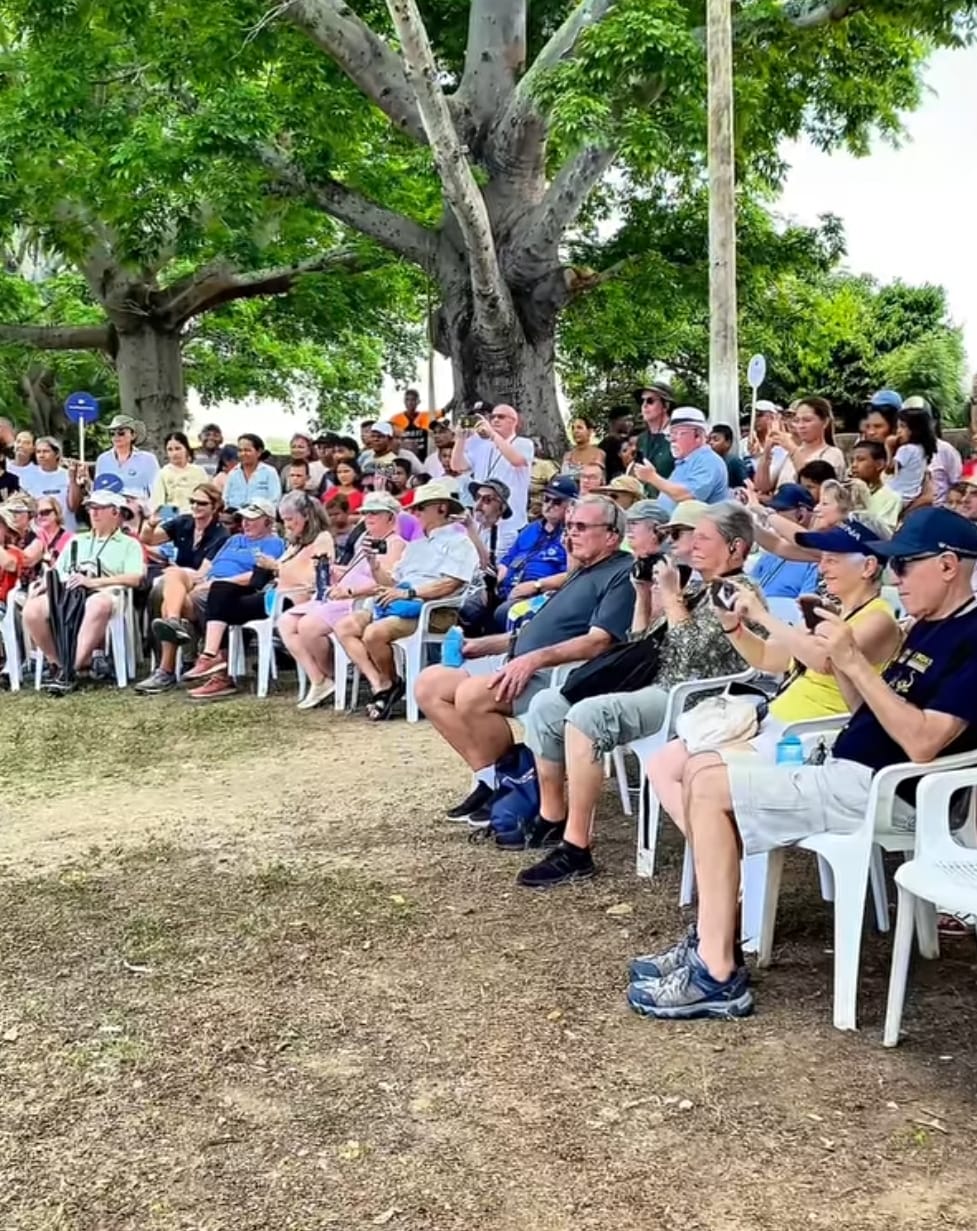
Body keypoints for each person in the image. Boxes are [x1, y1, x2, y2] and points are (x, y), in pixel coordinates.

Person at [626, 507, 977, 1021]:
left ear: (948, 566)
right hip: (851, 770)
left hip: (887, 792)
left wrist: (851, 659)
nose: (895, 579)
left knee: (707, 785)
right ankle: (710, 940)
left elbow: (924, 742)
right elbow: (869, 713)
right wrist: (848, 671)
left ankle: (716, 970)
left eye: (903, 566)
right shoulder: (926, 626)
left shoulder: (968, 638)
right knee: (700, 770)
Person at [516, 503, 764, 886]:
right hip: (656, 683)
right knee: (547, 704)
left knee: (587, 717)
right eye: (690, 538)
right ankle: (552, 816)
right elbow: (638, 642)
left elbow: (690, 655)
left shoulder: (736, 591)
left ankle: (576, 847)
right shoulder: (698, 589)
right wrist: (644, 595)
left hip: (692, 696)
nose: (690, 547)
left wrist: (671, 596)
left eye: (702, 538)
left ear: (734, 547)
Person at [417, 494, 635, 817]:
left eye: (581, 527)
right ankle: (492, 779)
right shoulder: (582, 570)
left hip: (561, 674)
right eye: (569, 526)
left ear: (612, 536)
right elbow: (536, 633)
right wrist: (483, 646)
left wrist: (533, 659)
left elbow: (598, 643)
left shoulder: (621, 573)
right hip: (524, 662)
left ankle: (517, 783)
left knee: (471, 696)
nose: (570, 534)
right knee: (428, 684)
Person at [334, 481, 479, 720]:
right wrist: (374, 564)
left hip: (431, 610)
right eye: (414, 508)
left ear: (441, 509)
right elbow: (390, 582)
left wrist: (410, 593)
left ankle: (390, 683)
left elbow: (450, 584)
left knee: (373, 633)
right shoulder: (417, 545)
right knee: (346, 626)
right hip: (401, 602)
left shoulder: (459, 542)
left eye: (421, 508)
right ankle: (385, 682)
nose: (415, 513)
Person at [279, 492, 409, 710]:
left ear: (390, 517)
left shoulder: (395, 543)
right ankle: (321, 679)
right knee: (285, 622)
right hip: (339, 594)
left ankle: (339, 675)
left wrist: (349, 591)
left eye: (374, 513)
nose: (368, 518)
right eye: (366, 513)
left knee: (308, 626)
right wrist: (333, 571)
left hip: (358, 601)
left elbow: (386, 582)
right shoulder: (365, 541)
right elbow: (354, 571)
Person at [22, 490, 146, 689]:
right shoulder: (77, 540)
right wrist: (44, 584)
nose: (93, 513)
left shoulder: (129, 544)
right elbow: (57, 570)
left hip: (105, 591)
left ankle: (71, 669)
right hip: (69, 591)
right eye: (90, 508)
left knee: (98, 603)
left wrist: (94, 583)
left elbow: (135, 577)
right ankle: (59, 664)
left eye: (99, 508)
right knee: (32, 609)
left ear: (115, 512)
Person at [176, 498, 294, 701]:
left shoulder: (273, 543)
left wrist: (215, 583)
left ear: (268, 522)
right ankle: (203, 655)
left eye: (252, 519)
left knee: (213, 596)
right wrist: (200, 580)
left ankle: (210, 662)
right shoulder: (233, 539)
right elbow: (210, 566)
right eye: (243, 519)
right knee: (172, 581)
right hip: (211, 588)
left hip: (241, 591)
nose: (245, 523)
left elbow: (259, 577)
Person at [134, 483, 229, 692]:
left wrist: (178, 571)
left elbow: (202, 573)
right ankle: (173, 626)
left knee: (170, 579)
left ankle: (165, 670)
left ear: (215, 507)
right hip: (179, 589)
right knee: (169, 593)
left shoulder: (221, 534)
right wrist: (150, 523)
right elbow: (146, 539)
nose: (195, 506)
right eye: (192, 501)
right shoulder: (184, 522)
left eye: (202, 503)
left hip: (202, 587)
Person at [484, 475, 576, 630]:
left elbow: (572, 574)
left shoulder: (572, 534)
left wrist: (536, 585)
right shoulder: (530, 529)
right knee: (472, 607)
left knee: (503, 612)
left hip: (540, 595)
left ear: (571, 506)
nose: (549, 505)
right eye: (547, 499)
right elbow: (508, 560)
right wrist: (493, 583)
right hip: (507, 588)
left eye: (557, 502)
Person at [451, 403, 533, 534]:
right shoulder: (481, 445)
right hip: (483, 522)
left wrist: (493, 435)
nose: (495, 420)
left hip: (511, 522)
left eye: (501, 417)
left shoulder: (524, 443)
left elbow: (516, 460)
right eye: (492, 417)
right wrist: (460, 439)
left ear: (514, 421)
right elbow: (457, 466)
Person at [634, 408, 728, 515]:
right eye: (670, 435)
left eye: (677, 433)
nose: (672, 439)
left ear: (697, 435)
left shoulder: (709, 461)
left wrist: (652, 477)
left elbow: (686, 496)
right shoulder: (685, 461)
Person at [755, 397, 844, 492]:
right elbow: (762, 487)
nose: (801, 426)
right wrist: (766, 452)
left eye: (807, 420)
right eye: (797, 420)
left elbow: (815, 487)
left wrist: (793, 450)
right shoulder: (790, 454)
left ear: (825, 422)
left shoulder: (832, 454)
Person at [747, 485, 819, 598]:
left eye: (778, 510)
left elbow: (806, 606)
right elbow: (749, 585)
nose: (775, 515)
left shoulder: (816, 561)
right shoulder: (771, 552)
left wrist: (768, 514)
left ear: (801, 514)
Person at [92, 414, 160, 499]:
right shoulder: (102, 459)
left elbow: (156, 490)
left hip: (138, 507)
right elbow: (98, 491)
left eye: (121, 433)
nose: (116, 436)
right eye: (112, 433)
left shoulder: (148, 459)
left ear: (133, 435)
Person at [18, 436, 76, 530]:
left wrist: (73, 481)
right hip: (38, 533)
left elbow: (73, 506)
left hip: (65, 530)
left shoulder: (68, 475)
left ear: (56, 454)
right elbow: (24, 508)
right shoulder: (26, 478)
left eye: (46, 451)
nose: (41, 455)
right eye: (38, 452)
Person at [885, 404, 935, 508]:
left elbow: (889, 469)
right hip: (910, 496)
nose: (898, 431)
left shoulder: (906, 449)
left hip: (897, 496)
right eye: (898, 426)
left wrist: (888, 447)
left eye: (903, 426)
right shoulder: (922, 449)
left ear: (916, 429)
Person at [633, 381, 676, 497]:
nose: (644, 405)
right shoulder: (642, 439)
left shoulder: (678, 436)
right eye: (642, 401)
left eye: (650, 401)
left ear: (666, 405)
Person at [149, 431, 209, 515]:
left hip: (196, 516)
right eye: (170, 450)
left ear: (186, 449)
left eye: (178, 448)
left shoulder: (199, 472)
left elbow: (207, 498)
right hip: (171, 518)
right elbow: (157, 504)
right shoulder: (162, 473)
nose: (174, 453)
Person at [848, 439, 903, 529]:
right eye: (852, 461)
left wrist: (864, 498)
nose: (854, 465)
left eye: (860, 460)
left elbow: (881, 532)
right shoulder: (846, 491)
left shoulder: (891, 498)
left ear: (879, 465)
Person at [222, 433, 282, 508]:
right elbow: (225, 499)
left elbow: (275, 500)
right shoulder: (233, 473)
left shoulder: (270, 472)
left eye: (247, 450)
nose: (243, 453)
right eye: (240, 450)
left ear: (259, 452)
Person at [388, 389, 432, 461]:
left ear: (418, 401)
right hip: (402, 459)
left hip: (421, 458)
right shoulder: (395, 419)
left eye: (413, 400)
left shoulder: (426, 417)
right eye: (407, 400)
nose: (410, 403)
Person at [597, 407, 633, 480]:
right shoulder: (606, 445)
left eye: (631, 420)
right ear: (614, 422)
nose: (630, 424)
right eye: (627, 420)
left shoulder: (630, 442)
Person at [709, 424, 749, 489]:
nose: (711, 442)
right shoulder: (708, 461)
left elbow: (747, 485)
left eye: (716, 439)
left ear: (728, 442)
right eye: (709, 440)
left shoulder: (734, 461)